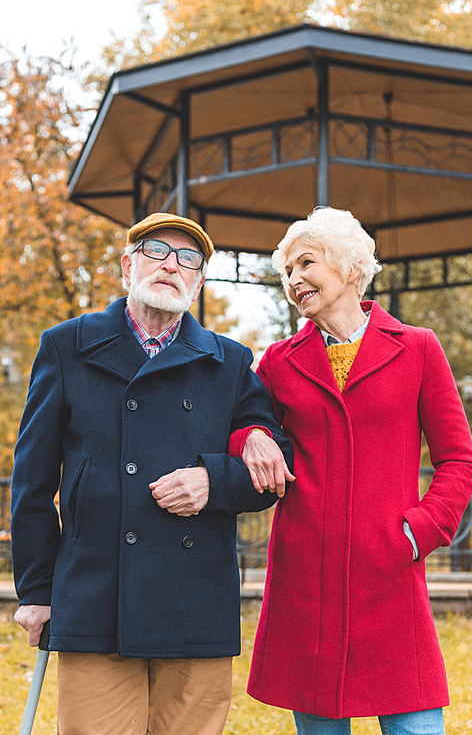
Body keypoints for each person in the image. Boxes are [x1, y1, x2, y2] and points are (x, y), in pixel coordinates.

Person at [11, 212, 293, 735]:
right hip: (94, 595)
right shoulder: (67, 345)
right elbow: (32, 481)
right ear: (127, 265)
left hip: (195, 602)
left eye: (188, 259)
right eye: (156, 252)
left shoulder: (230, 362)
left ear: (200, 281)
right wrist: (34, 590)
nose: (171, 266)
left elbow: (277, 466)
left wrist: (215, 481)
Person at [229, 206, 472, 735]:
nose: (294, 281)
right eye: (287, 273)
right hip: (306, 584)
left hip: (390, 572)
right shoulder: (277, 361)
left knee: (415, 727)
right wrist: (250, 435)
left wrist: (418, 532)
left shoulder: (418, 348)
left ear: (346, 265)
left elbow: (459, 459)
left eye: (306, 264)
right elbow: (239, 422)